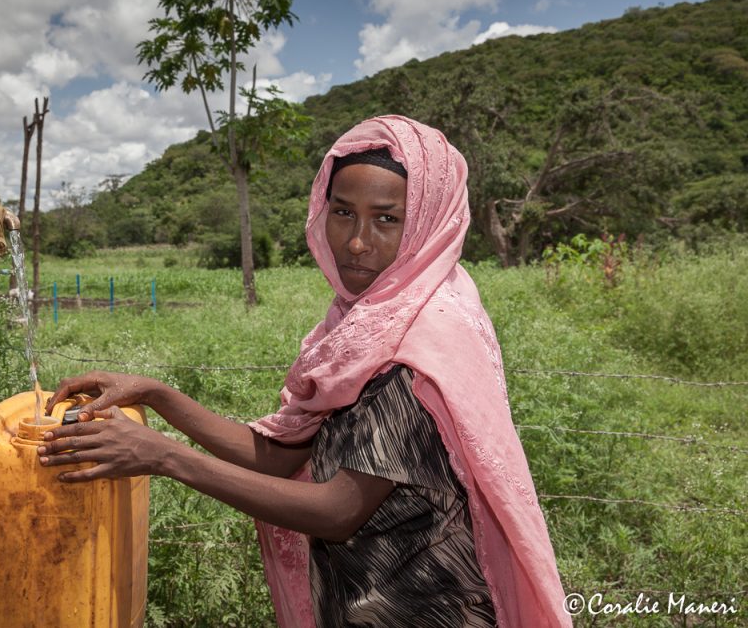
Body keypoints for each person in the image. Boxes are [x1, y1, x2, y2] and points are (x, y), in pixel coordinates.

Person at [41, 115, 572, 627]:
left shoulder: (414, 352)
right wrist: (158, 395)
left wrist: (163, 457)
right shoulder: (368, 324)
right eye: (343, 212)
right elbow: (279, 457)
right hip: (362, 601)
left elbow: (338, 511)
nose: (357, 241)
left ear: (429, 224)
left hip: (423, 609)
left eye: (387, 219)